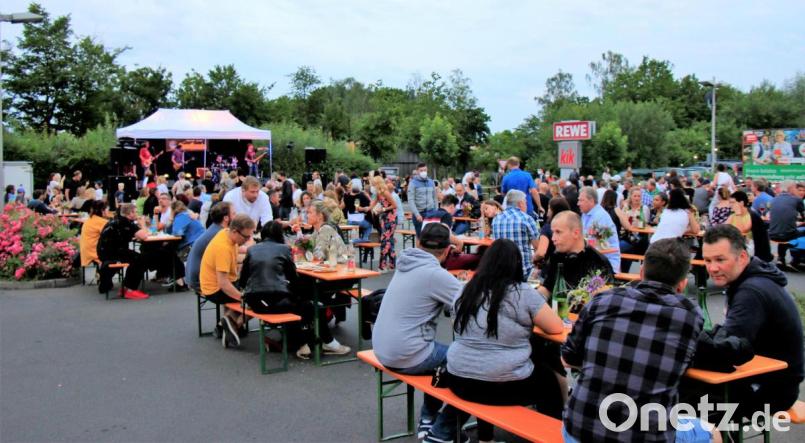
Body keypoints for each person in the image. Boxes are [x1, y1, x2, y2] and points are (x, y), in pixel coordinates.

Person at [562, 239, 713, 443]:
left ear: (641, 272)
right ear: (682, 284)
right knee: (709, 430)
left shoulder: (603, 300)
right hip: (645, 435)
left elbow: (568, 357)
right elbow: (682, 366)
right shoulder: (689, 315)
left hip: (579, 429)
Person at [423, 239, 564, 443]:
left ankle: (485, 438)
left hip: (459, 379)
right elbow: (556, 327)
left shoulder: (466, 290)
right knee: (548, 381)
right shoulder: (522, 293)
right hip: (500, 387)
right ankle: (552, 436)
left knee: (488, 364)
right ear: (516, 264)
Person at [692, 224, 804, 418]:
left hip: (773, 388)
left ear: (742, 257)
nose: (712, 268)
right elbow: (731, 337)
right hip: (770, 377)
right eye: (708, 260)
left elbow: (728, 349)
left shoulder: (750, 292)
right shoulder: (753, 279)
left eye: (720, 260)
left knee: (685, 401)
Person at [373, 223, 463, 440]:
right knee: (463, 362)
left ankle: (428, 418)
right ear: (446, 251)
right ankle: (440, 426)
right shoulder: (434, 274)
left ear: (418, 243)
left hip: (382, 349)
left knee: (443, 359)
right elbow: (471, 303)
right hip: (407, 353)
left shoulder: (406, 264)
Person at [199, 214, 256, 348]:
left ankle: (227, 324)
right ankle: (233, 324)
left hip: (215, 283)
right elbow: (223, 284)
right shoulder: (223, 247)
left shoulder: (226, 233)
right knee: (258, 300)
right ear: (235, 231)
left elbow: (235, 259)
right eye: (246, 237)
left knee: (252, 289)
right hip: (215, 289)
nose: (248, 240)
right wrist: (243, 298)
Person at [96, 203, 154, 299]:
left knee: (135, 257)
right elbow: (144, 236)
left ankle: (126, 287)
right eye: (135, 212)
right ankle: (130, 289)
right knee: (141, 259)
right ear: (130, 213)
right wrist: (142, 224)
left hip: (103, 252)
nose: (137, 214)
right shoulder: (126, 223)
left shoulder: (114, 220)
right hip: (114, 253)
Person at [186, 202, 234, 295]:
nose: (236, 216)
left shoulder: (214, 228)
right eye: (234, 214)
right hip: (200, 281)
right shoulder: (221, 233)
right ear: (226, 218)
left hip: (193, 276)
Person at [491, 190, 540, 280]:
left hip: (502, 271)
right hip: (523, 271)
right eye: (526, 203)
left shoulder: (496, 219)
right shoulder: (526, 219)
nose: (526, 205)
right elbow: (538, 248)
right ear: (520, 203)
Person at [578, 187, 621, 272]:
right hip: (594, 259)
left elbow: (596, 245)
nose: (578, 203)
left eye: (581, 200)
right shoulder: (585, 214)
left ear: (591, 201)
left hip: (606, 263)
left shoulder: (600, 217)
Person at [768, 180, 805, 269]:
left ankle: (781, 259)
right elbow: (803, 216)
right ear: (791, 189)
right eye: (797, 188)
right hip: (788, 234)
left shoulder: (774, 199)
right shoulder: (797, 200)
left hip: (772, 233)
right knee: (792, 234)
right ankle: (798, 259)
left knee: (785, 233)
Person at [368, 176, 398, 272]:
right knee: (389, 242)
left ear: (377, 184)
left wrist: (383, 209)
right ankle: (393, 264)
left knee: (384, 241)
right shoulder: (378, 193)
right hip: (384, 218)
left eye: (373, 183)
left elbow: (394, 205)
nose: (372, 185)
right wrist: (361, 208)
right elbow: (371, 206)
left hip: (391, 218)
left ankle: (382, 265)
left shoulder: (385, 192)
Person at [618, 188, 651, 272]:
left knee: (638, 252)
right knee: (622, 248)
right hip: (627, 236)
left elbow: (646, 224)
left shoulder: (644, 208)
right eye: (635, 196)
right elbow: (622, 222)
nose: (637, 198)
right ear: (631, 197)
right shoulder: (626, 208)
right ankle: (624, 273)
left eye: (639, 196)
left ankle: (634, 274)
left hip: (640, 237)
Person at [533, 197, 570, 271]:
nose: (548, 211)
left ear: (554, 210)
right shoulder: (571, 225)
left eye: (549, 208)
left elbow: (541, 252)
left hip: (552, 268)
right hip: (570, 265)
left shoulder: (548, 228)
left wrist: (534, 259)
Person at [408, 163, 439, 237]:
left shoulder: (431, 182)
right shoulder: (413, 183)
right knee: (420, 237)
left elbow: (435, 198)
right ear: (417, 171)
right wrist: (417, 214)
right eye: (421, 170)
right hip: (420, 214)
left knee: (431, 236)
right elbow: (411, 200)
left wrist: (436, 211)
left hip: (431, 212)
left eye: (425, 170)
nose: (423, 172)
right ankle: (419, 249)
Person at [79, 200, 110, 268]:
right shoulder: (102, 222)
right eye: (108, 209)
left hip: (85, 252)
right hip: (94, 253)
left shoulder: (90, 219)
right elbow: (112, 236)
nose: (109, 211)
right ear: (102, 210)